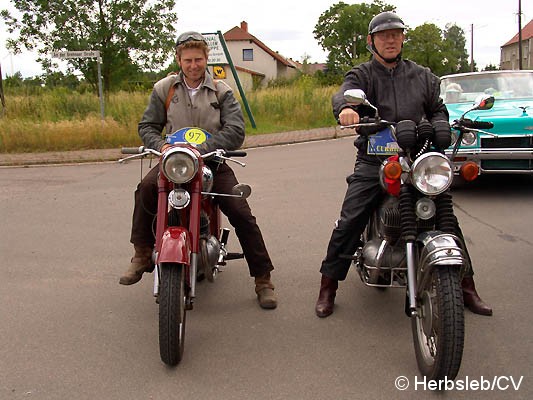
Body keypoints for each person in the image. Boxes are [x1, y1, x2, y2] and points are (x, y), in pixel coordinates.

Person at [315, 12, 492, 318]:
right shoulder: (363, 75)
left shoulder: (422, 75)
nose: (391, 40)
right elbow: (344, 94)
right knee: (351, 218)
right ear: (372, 41)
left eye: (396, 34)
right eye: (384, 35)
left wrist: (441, 126)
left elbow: (438, 109)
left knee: (446, 214)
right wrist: (346, 108)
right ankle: (328, 286)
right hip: (377, 156)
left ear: (402, 39)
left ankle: (466, 287)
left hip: (418, 154)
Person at [119, 31, 277, 310]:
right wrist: (163, 147)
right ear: (179, 60)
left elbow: (235, 130)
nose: (193, 65)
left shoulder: (221, 91)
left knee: (240, 210)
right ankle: (142, 253)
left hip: (213, 162)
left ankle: (263, 280)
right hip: (174, 162)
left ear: (206, 59)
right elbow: (147, 127)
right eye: (188, 60)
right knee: (145, 189)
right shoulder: (164, 89)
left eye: (199, 59)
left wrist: (204, 149)